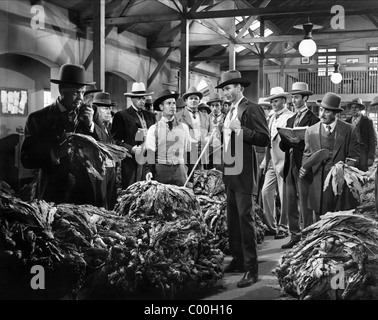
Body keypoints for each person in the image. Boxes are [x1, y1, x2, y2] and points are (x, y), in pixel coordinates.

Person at [21, 63, 109, 205]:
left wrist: (91, 125)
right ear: (61, 90)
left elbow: (107, 144)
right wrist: (53, 154)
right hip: (54, 193)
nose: (80, 98)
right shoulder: (38, 118)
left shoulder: (92, 112)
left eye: (82, 92)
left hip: (87, 193)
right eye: (75, 93)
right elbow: (26, 158)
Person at [216, 70, 270, 288]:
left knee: (245, 220)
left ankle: (251, 269)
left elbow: (264, 139)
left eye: (229, 88)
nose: (226, 92)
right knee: (232, 220)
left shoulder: (252, 108)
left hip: (245, 172)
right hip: (230, 170)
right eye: (224, 89)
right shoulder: (229, 111)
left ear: (239, 87)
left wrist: (241, 130)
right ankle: (238, 259)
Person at [299, 92, 360, 216]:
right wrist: (304, 167)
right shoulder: (310, 131)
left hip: (340, 187)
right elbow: (307, 155)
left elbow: (354, 157)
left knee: (339, 226)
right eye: (321, 110)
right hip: (317, 185)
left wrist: (342, 170)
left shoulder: (349, 130)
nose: (321, 114)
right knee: (321, 225)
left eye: (327, 111)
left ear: (335, 113)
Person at [279, 82, 320, 249]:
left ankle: (308, 235)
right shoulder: (289, 119)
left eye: (297, 97)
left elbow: (315, 145)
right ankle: (294, 235)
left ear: (305, 98)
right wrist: (286, 139)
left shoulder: (314, 119)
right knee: (289, 202)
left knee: (304, 202)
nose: (293, 100)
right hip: (290, 164)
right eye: (293, 97)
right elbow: (283, 146)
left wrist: (299, 142)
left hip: (303, 164)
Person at [260, 87, 294, 238]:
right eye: (272, 101)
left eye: (276, 100)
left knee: (284, 194)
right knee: (265, 191)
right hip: (271, 161)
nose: (273, 103)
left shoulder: (290, 117)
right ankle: (271, 225)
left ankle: (284, 226)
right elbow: (268, 141)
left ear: (284, 101)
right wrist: (264, 161)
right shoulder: (271, 118)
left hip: (285, 160)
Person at [111, 82, 156, 189]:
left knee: (149, 191)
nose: (142, 101)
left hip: (149, 160)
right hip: (131, 163)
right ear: (132, 99)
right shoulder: (122, 116)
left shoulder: (150, 116)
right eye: (138, 98)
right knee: (132, 192)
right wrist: (131, 149)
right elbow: (115, 141)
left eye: (143, 98)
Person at [144, 89, 192, 186]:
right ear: (161, 107)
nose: (172, 106)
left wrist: (187, 172)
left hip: (180, 171)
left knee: (181, 199)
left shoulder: (184, 128)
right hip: (161, 171)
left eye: (174, 103)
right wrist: (148, 171)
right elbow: (150, 153)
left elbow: (188, 152)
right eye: (168, 103)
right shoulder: (154, 129)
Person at [176, 86, 213, 179]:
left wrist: (208, 139)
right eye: (190, 98)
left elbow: (211, 131)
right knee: (187, 178)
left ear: (199, 101)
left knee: (200, 179)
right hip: (186, 153)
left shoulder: (205, 116)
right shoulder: (178, 116)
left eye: (196, 98)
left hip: (202, 152)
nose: (193, 101)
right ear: (186, 101)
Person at [92, 92, 118, 210]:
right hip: (101, 170)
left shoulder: (107, 127)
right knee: (101, 203)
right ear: (96, 111)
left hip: (111, 168)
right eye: (105, 109)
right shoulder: (93, 128)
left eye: (109, 108)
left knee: (110, 200)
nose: (109, 112)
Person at [345, 98, 377, 171]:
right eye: (352, 107)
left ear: (360, 109)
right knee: (350, 174)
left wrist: (371, 157)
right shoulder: (347, 122)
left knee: (363, 176)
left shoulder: (368, 121)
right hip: (351, 154)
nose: (354, 109)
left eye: (356, 107)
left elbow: (373, 140)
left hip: (363, 153)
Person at [207, 92, 225, 171]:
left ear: (221, 106)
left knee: (219, 170)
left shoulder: (226, 117)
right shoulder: (206, 118)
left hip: (220, 149)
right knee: (207, 171)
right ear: (210, 107)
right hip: (208, 149)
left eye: (217, 105)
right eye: (212, 105)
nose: (215, 108)